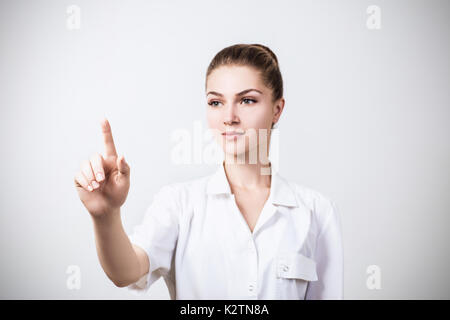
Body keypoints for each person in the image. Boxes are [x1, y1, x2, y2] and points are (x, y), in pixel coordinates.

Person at [74, 44, 343, 299]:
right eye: (216, 102)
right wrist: (106, 216)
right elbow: (127, 271)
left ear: (277, 109)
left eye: (247, 100)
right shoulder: (178, 203)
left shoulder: (316, 212)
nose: (229, 117)